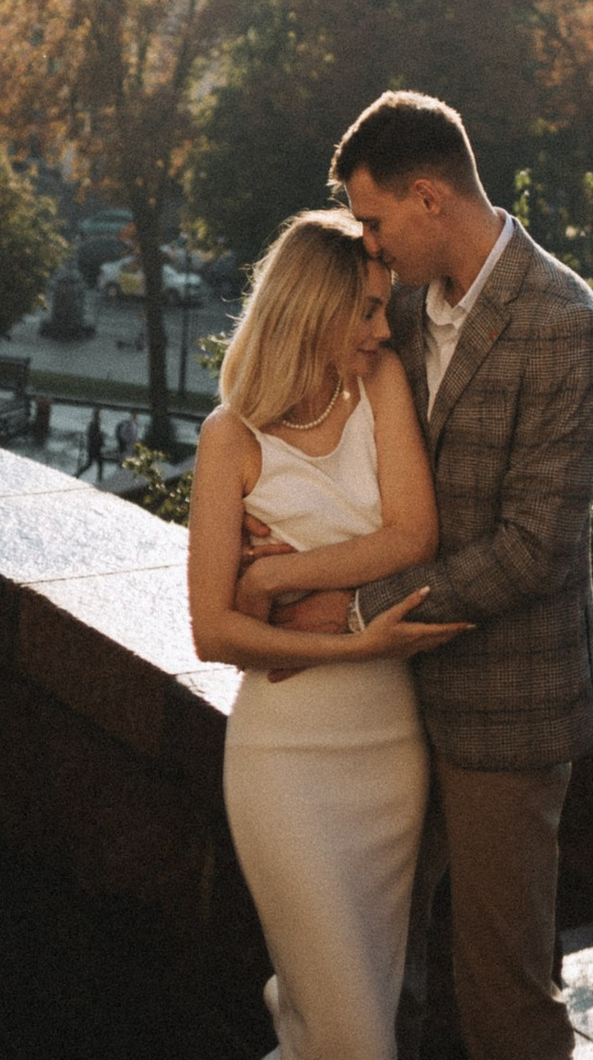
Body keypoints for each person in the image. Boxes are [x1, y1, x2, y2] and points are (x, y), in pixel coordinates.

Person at [270, 90, 593, 1060]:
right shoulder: (402, 309)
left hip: (507, 707)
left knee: (500, 989)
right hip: (389, 695)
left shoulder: (564, 321)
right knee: (372, 964)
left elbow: (533, 548)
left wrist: (353, 607)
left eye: (373, 222)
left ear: (428, 198)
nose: (367, 248)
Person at [187, 208, 470, 1060]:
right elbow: (212, 631)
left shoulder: (377, 385)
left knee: (349, 1031)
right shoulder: (227, 439)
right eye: (369, 310)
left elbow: (413, 540)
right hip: (283, 761)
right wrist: (353, 648)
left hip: (388, 753)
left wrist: (276, 576)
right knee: (350, 1035)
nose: (386, 330)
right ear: (311, 309)